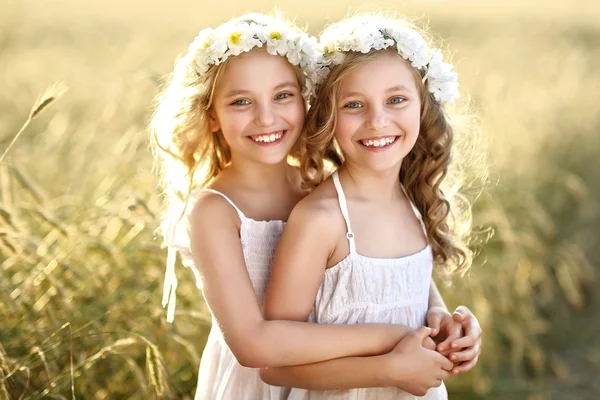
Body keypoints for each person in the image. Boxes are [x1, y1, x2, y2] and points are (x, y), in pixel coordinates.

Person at [150, 13, 466, 400]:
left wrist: (437, 317)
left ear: (307, 102)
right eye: (241, 101)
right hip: (259, 383)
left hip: (334, 370)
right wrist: (396, 336)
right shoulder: (215, 212)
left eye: (283, 95)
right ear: (211, 114)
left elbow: (382, 269)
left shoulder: (317, 183)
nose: (266, 117)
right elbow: (254, 346)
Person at [261, 15, 483, 399]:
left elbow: (407, 289)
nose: (377, 121)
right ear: (328, 117)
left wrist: (445, 323)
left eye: (396, 100)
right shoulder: (320, 220)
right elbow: (273, 363)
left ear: (423, 107)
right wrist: (389, 370)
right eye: (353, 105)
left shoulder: (414, 198)